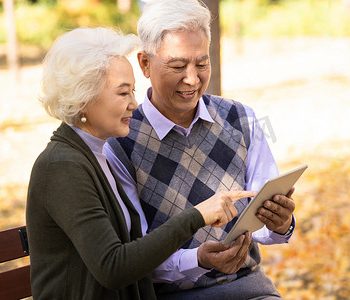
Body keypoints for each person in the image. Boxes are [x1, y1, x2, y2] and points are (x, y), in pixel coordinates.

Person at [26, 26, 255, 300]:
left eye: (132, 91)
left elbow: (133, 252)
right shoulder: (62, 166)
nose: (134, 103)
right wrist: (197, 216)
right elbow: (113, 267)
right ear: (83, 98)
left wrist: (199, 257)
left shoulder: (97, 155)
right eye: (123, 93)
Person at [104, 0, 297, 299]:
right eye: (178, 65)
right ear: (144, 64)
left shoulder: (240, 119)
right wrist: (198, 260)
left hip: (250, 289)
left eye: (202, 63)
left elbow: (261, 225)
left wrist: (280, 224)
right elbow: (133, 257)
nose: (192, 79)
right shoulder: (120, 142)